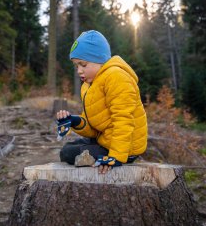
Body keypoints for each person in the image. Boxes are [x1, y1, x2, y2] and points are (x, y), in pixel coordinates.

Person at [56, 30, 147, 174]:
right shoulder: (89, 85)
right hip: (106, 140)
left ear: (99, 60)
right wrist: (74, 121)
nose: (79, 70)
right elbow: (93, 126)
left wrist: (115, 157)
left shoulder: (116, 77)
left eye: (83, 64)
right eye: (76, 66)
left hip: (126, 148)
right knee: (67, 149)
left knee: (69, 153)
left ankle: (108, 157)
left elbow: (124, 120)